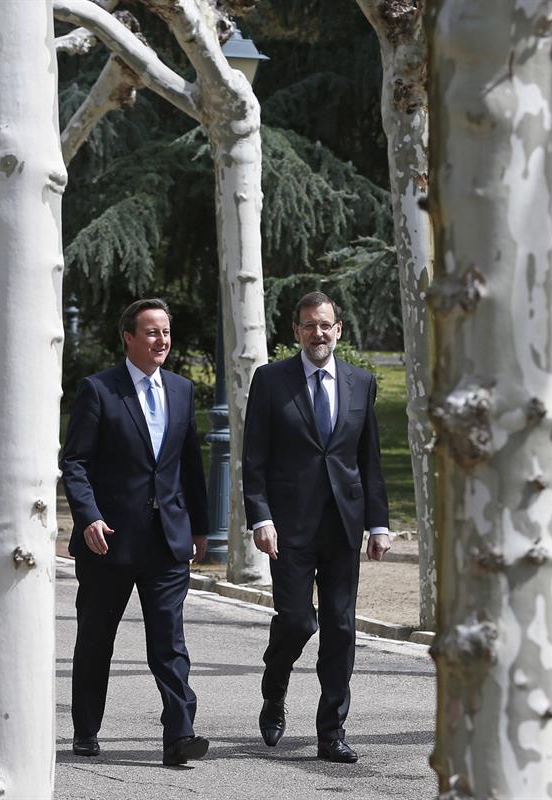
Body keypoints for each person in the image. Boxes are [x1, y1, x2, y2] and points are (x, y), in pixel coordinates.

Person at [60, 298, 211, 767]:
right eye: (151, 332)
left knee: (169, 642)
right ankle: (86, 729)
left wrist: (201, 528)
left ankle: (179, 735)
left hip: (166, 541)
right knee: (96, 640)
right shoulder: (99, 391)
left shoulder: (183, 391)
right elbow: (75, 462)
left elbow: (190, 466)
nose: (161, 340)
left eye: (166, 332)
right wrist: (88, 517)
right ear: (128, 337)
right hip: (108, 542)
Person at [242, 291, 391, 764]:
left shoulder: (360, 382)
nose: (318, 333)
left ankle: (332, 731)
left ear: (338, 329)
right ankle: (275, 688)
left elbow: (369, 459)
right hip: (288, 529)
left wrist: (379, 523)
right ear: (296, 332)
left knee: (341, 628)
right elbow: (254, 459)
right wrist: (260, 517)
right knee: (297, 620)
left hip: (343, 527)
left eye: (325, 325)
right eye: (309, 325)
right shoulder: (270, 381)